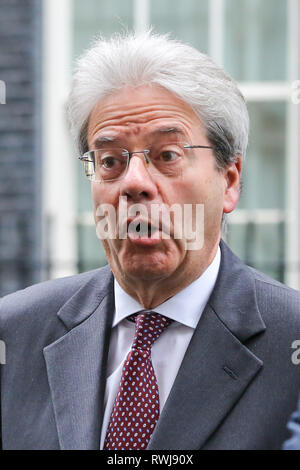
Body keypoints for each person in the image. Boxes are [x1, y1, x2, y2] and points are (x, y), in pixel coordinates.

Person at [1, 31, 300, 450]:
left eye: (167, 156)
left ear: (229, 180)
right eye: (110, 161)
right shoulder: (13, 336)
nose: (134, 183)